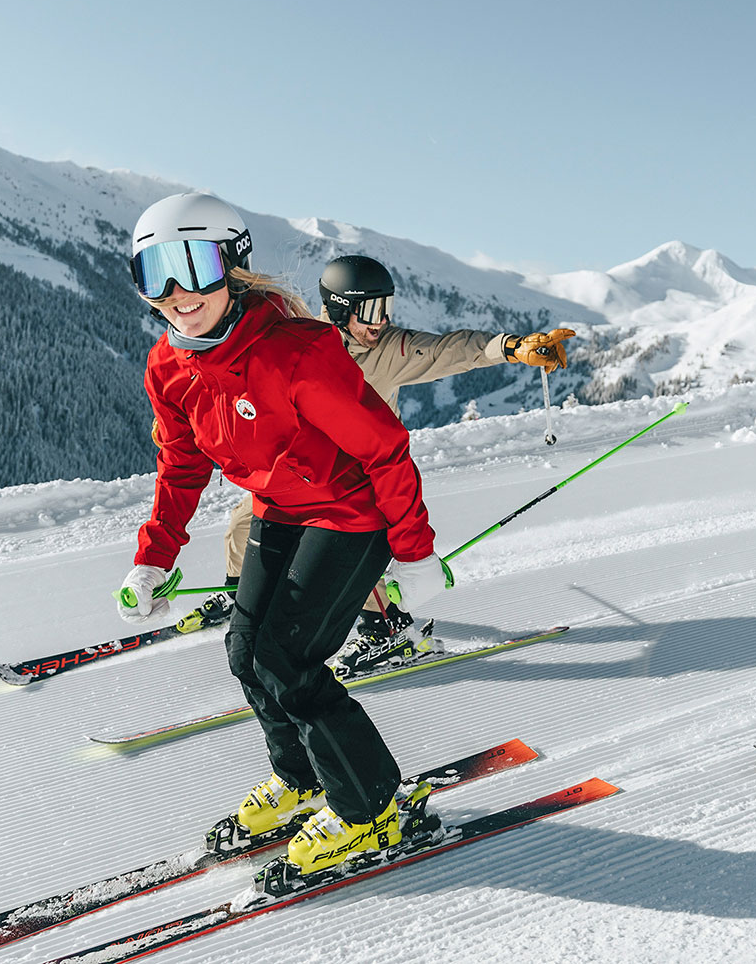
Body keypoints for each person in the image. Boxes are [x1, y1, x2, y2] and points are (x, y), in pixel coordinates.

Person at [112, 192, 453, 875]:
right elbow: (181, 464)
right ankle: (303, 778)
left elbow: (385, 448)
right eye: (155, 274)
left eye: (194, 266)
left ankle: (370, 810)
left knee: (288, 661)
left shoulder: (296, 353)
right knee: (246, 650)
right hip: (280, 507)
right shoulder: (169, 367)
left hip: (351, 512)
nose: (177, 293)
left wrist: (414, 552)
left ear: (232, 267)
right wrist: (153, 557)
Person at [175, 252, 576, 677]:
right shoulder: (300, 342)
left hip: (365, 478)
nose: (380, 321)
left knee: (350, 551)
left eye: (386, 307)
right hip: (304, 477)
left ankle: (388, 627)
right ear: (338, 308)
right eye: (369, 310)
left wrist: (512, 347)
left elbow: (451, 349)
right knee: (243, 524)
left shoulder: (389, 351)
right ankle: (242, 595)